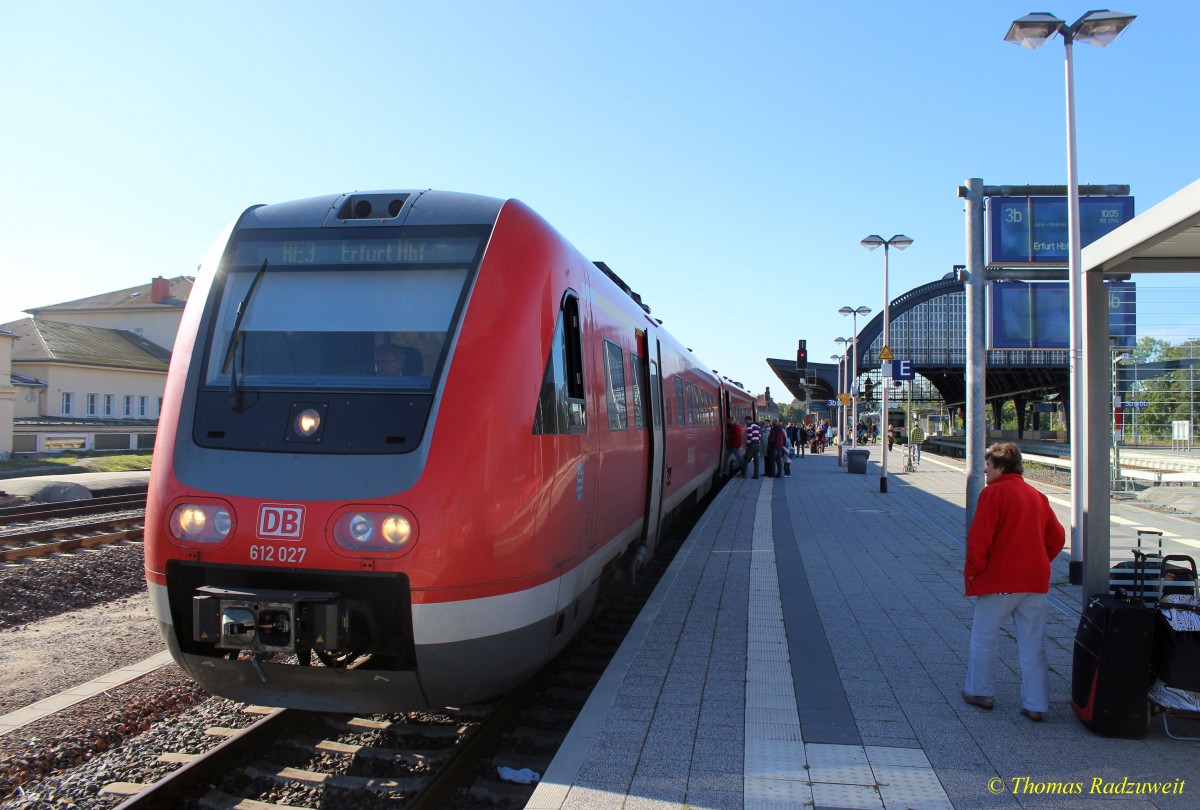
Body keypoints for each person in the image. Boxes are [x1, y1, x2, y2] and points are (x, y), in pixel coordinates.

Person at [962, 442, 1065, 723]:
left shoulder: (993, 494)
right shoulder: (1037, 496)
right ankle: (1036, 704)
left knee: (984, 635)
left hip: (1000, 580)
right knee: (1033, 644)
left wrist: (975, 571)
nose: (984, 470)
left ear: (1001, 466)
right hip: (1034, 582)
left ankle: (980, 691)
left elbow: (979, 539)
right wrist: (1039, 561)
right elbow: (1056, 538)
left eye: (989, 465)